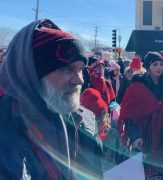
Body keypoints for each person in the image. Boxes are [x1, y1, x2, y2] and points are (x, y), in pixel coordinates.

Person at [0, 19, 103, 179]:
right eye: (66, 69)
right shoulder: (6, 124)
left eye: (80, 69)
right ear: (32, 74)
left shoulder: (84, 120)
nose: (80, 80)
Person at [119, 52, 163, 179]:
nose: (159, 67)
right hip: (146, 140)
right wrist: (136, 137)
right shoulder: (137, 88)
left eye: (161, 64)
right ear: (147, 66)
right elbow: (130, 116)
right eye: (155, 64)